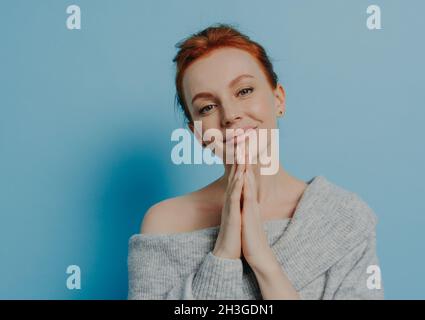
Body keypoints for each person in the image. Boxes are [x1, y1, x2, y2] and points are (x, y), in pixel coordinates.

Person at [127, 23, 384, 300]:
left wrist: (262, 259)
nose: (230, 115)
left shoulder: (343, 218)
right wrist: (223, 253)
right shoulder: (165, 225)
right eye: (207, 107)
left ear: (278, 99)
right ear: (197, 133)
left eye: (244, 91)